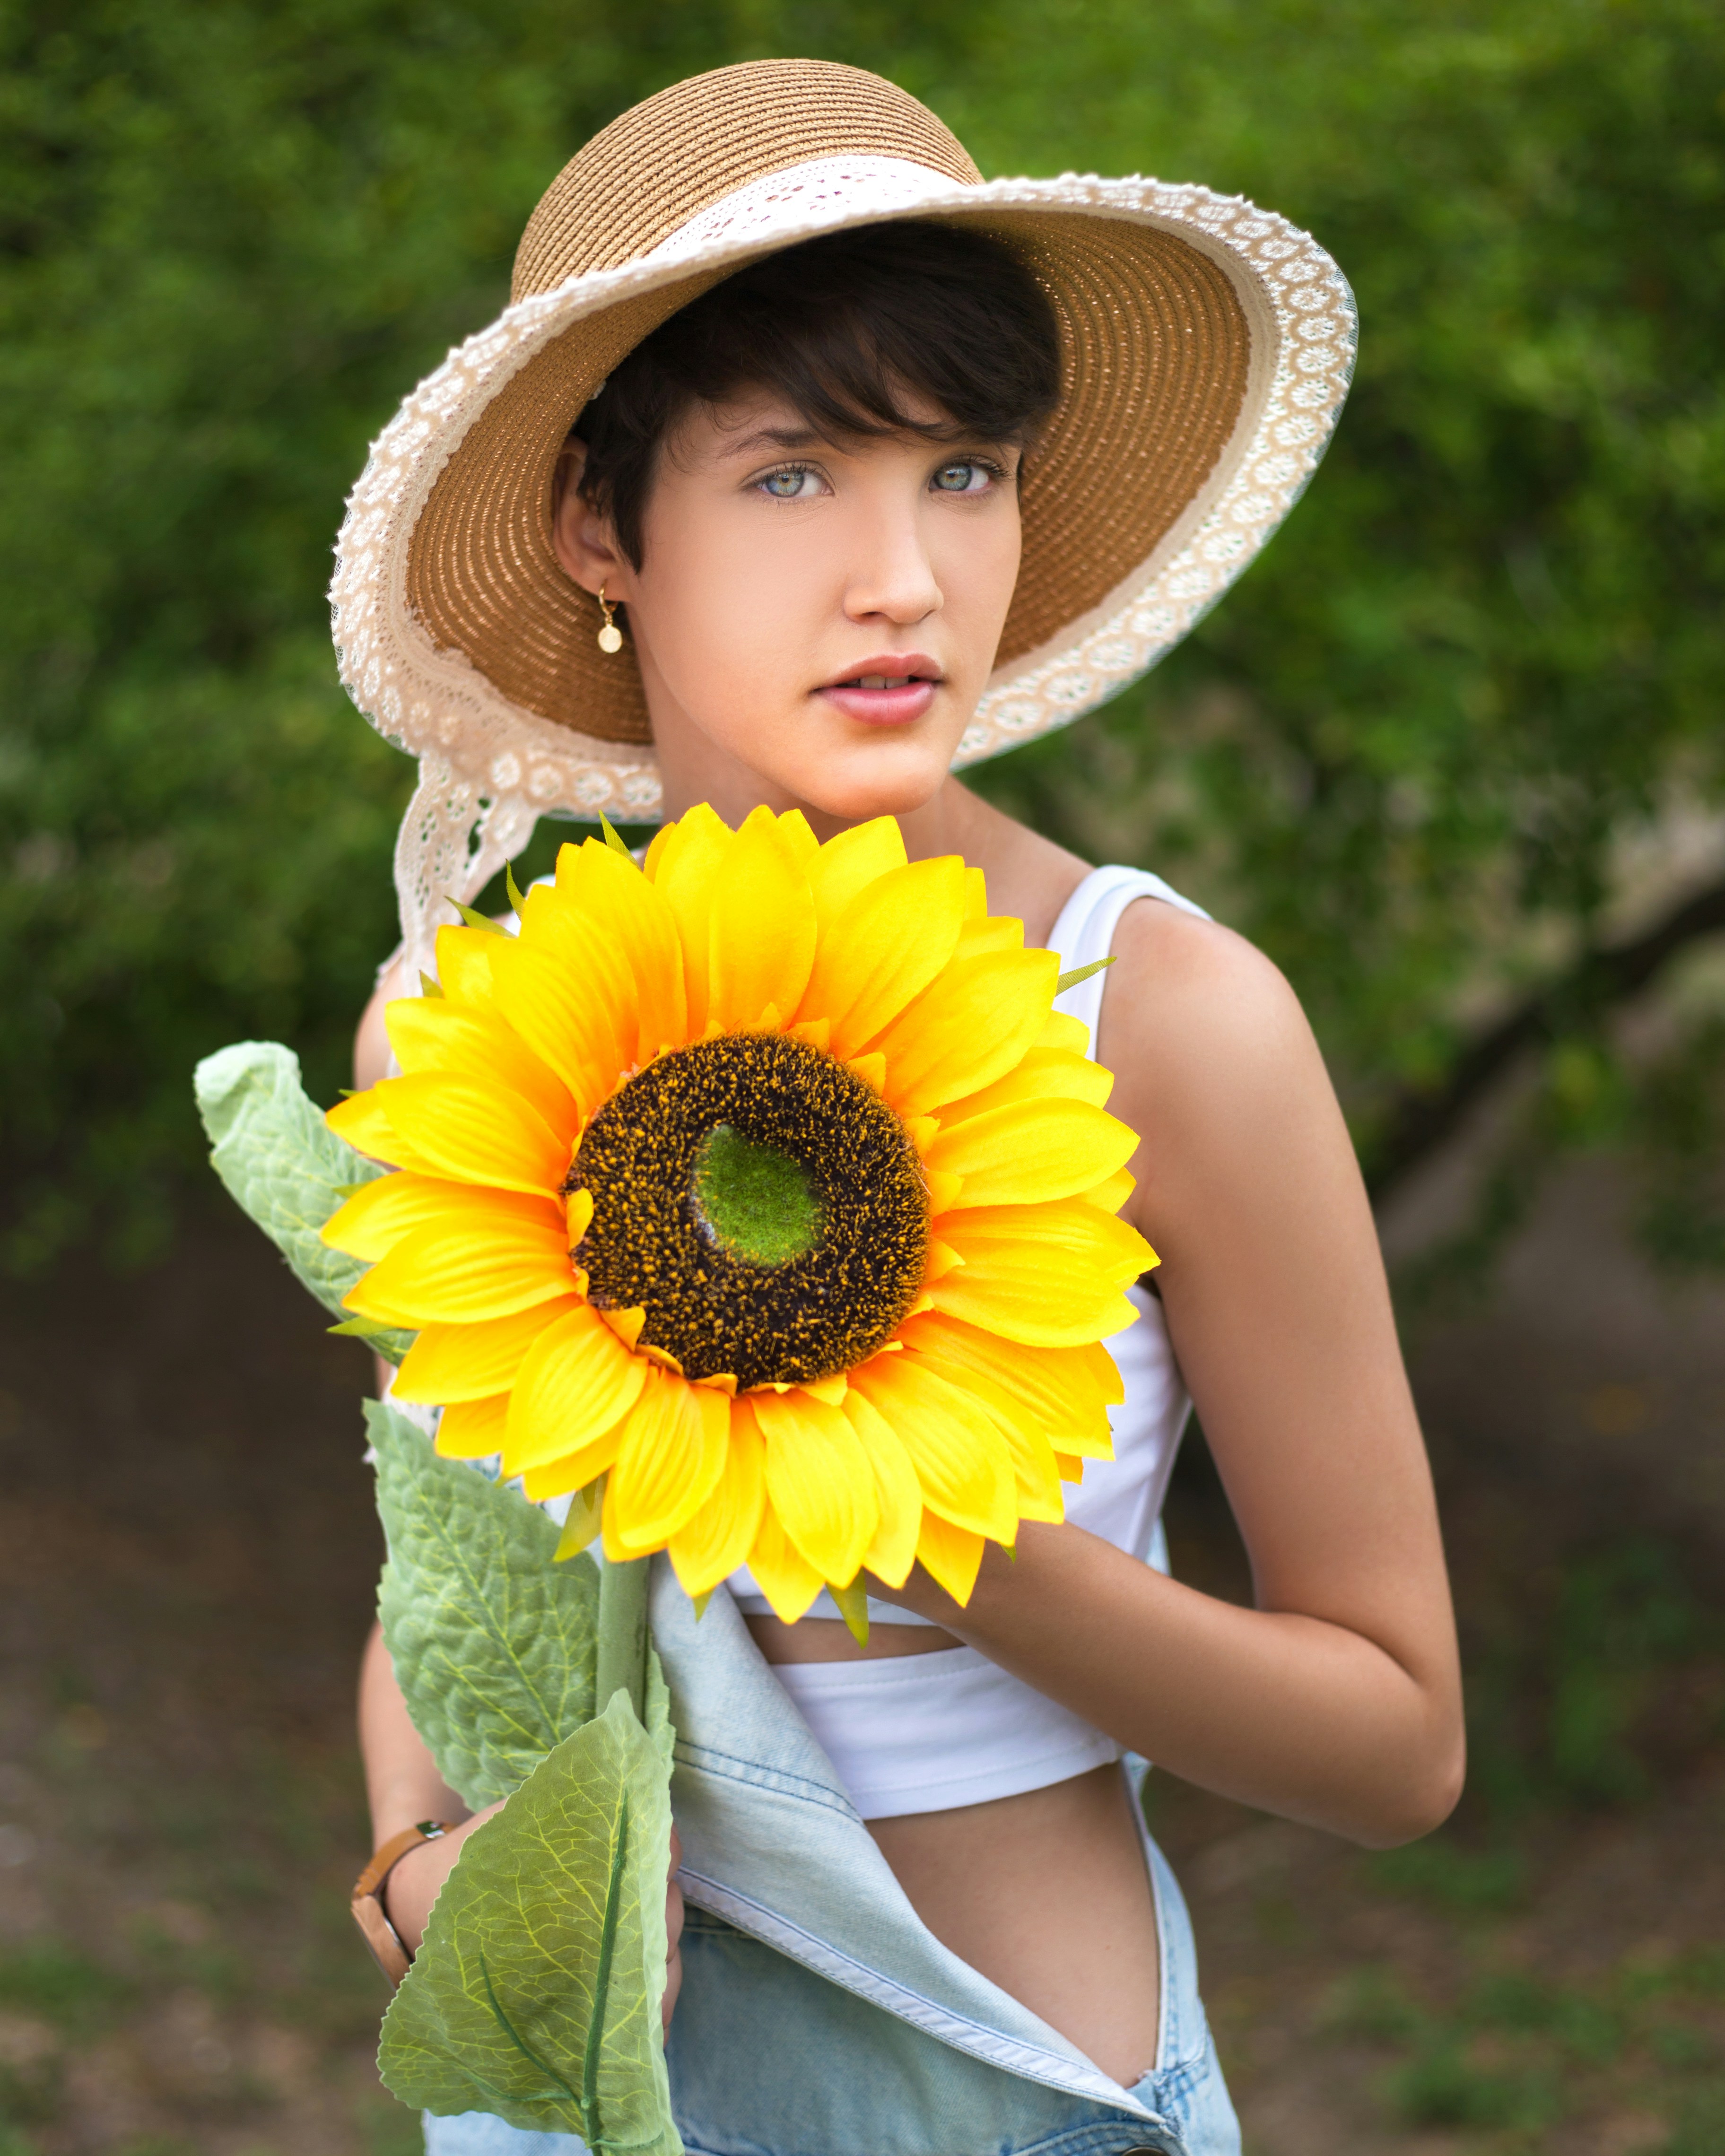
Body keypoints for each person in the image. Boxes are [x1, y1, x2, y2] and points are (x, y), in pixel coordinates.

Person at [339, 58, 1463, 2156]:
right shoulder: (479, 1042)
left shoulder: (1160, 1019)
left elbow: (1398, 1747)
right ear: (604, 521)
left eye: (965, 470)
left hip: (1018, 2100)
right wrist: (421, 1868)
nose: (909, 579)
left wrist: (948, 1544)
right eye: (795, 477)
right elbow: (444, 1598)